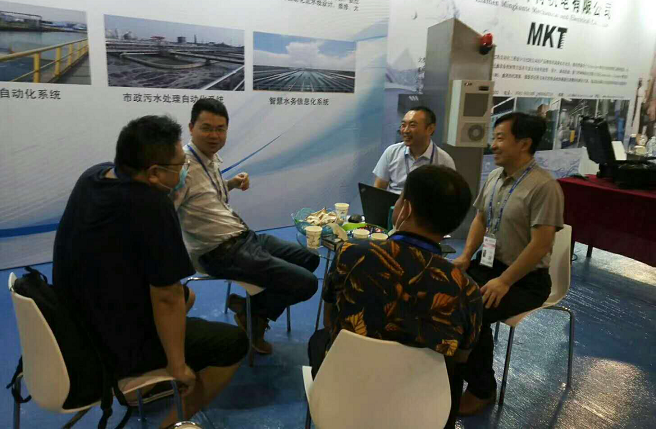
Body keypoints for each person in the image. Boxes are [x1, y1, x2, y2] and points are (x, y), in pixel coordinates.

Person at [53, 115, 248, 429]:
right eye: (180, 165)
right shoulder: (151, 205)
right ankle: (169, 424)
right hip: (103, 344)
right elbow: (165, 298)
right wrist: (177, 365)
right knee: (233, 343)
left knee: (188, 296)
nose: (184, 170)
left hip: (70, 319)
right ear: (155, 173)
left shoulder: (94, 176)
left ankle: (144, 384)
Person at [309, 165, 483, 429]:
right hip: (420, 412)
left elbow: (330, 319)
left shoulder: (351, 255)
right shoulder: (466, 290)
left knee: (318, 340)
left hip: (344, 399)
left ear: (406, 209)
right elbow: (460, 357)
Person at [174, 98, 320, 355]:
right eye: (206, 128)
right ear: (191, 127)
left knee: (310, 258)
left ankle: (251, 310)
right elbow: (167, 209)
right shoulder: (182, 167)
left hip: (243, 237)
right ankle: (254, 316)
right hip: (218, 251)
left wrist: (230, 183)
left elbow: (204, 196)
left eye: (220, 129)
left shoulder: (208, 159)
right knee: (307, 284)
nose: (214, 135)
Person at [452, 112, 564, 416]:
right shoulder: (494, 176)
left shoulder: (544, 187)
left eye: (500, 138)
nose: (493, 144)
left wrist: (505, 281)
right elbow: (480, 218)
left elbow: (541, 244)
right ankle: (451, 371)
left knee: (472, 310)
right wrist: (465, 256)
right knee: (445, 294)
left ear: (524, 144)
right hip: (487, 265)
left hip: (525, 280)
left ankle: (481, 389)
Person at [373, 106, 456, 193]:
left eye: (412, 125)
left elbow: (450, 195)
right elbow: (378, 187)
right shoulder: (392, 152)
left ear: (430, 129)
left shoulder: (444, 161)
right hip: (394, 201)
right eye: (403, 125)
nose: (405, 130)